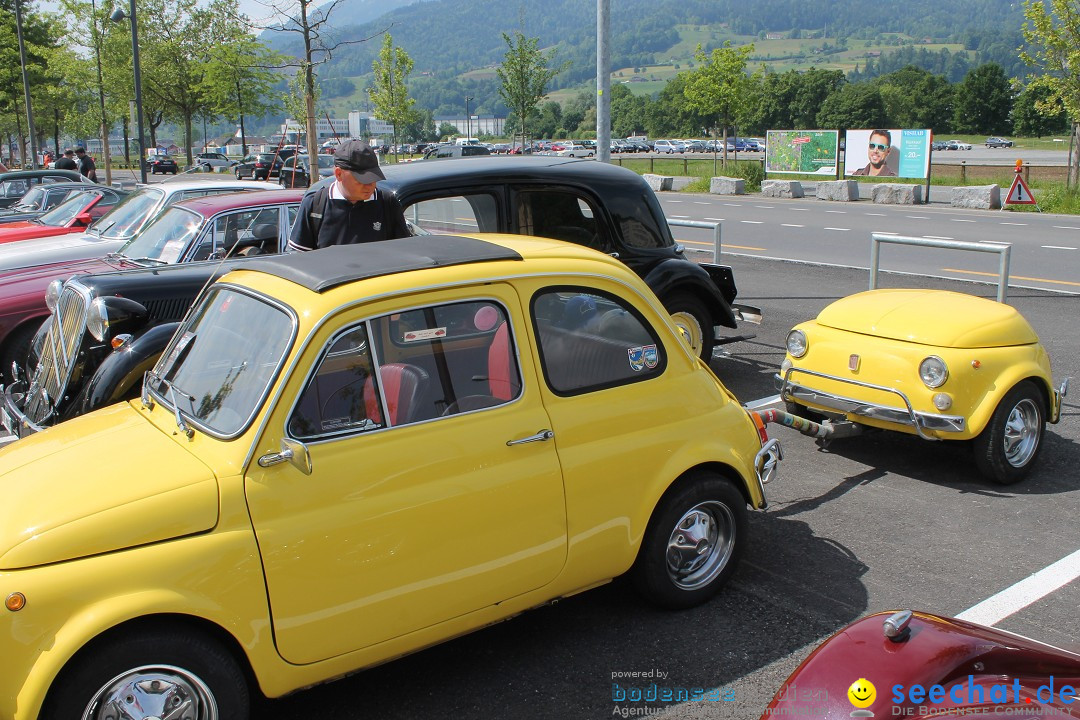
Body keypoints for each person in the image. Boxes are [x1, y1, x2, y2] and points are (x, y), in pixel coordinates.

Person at [288, 139, 409, 251]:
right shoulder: (314, 206)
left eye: (373, 178)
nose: (370, 185)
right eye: (362, 179)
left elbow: (403, 253)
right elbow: (298, 260)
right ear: (338, 174)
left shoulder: (387, 203)